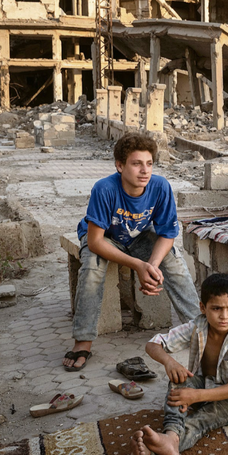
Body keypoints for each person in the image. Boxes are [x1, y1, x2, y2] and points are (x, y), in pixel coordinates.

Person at [63, 133, 200, 371]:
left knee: (174, 261)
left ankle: (199, 329)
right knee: (93, 269)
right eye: (136, 164)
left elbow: (168, 233)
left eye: (148, 164)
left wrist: (153, 265)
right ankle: (83, 340)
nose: (144, 171)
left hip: (138, 236)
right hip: (104, 238)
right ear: (120, 165)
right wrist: (138, 265)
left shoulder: (160, 187)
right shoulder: (104, 189)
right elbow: (95, 242)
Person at [126, 273, 228, 455]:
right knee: (178, 380)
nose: (224, 316)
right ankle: (170, 436)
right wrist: (170, 362)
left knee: (200, 420)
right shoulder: (198, 325)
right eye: (216, 308)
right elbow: (153, 344)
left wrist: (195, 396)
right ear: (203, 307)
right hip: (204, 384)